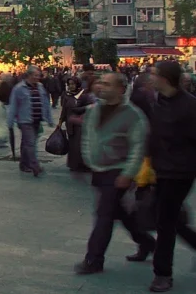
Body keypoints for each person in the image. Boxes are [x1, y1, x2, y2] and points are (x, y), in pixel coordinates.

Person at [75, 72, 155, 276]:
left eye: (107, 84)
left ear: (120, 89)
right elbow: (88, 137)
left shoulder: (132, 114)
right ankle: (147, 243)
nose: (101, 86)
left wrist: (128, 173)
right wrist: (88, 160)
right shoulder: (94, 110)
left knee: (104, 214)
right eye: (100, 82)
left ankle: (94, 259)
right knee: (120, 213)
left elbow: (138, 146)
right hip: (99, 169)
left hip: (118, 171)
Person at [142, 61, 196, 292]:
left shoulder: (190, 106)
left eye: (154, 74)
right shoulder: (158, 101)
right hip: (160, 169)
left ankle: (162, 274)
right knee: (166, 217)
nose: (150, 78)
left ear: (166, 78)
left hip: (179, 172)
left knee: (165, 221)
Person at [6, 66, 54, 177]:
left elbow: (45, 103)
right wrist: (10, 121)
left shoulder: (40, 87)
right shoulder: (19, 88)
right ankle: (34, 165)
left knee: (27, 143)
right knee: (30, 143)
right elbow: (13, 105)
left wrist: (49, 118)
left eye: (39, 75)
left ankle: (24, 164)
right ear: (29, 75)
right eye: (35, 75)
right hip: (25, 120)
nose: (38, 78)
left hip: (36, 119)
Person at [60, 76, 92, 172]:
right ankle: (73, 164)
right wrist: (60, 121)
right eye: (69, 84)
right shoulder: (66, 95)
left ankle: (82, 164)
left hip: (80, 123)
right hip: (70, 123)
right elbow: (64, 109)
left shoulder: (83, 95)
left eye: (73, 84)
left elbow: (87, 108)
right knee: (73, 145)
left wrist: (80, 110)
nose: (71, 86)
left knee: (80, 145)